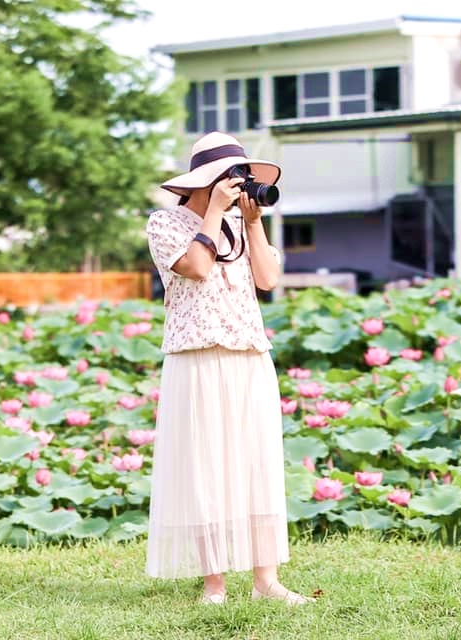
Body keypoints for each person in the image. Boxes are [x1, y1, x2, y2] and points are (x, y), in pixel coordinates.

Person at [143, 132, 312, 606]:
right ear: (207, 181)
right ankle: (213, 584)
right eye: (233, 178)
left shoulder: (242, 223)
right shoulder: (165, 223)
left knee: (257, 463)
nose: (241, 186)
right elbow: (196, 266)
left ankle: (267, 581)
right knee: (205, 468)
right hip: (196, 356)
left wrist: (254, 224)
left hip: (249, 353)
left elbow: (268, 278)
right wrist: (215, 212)